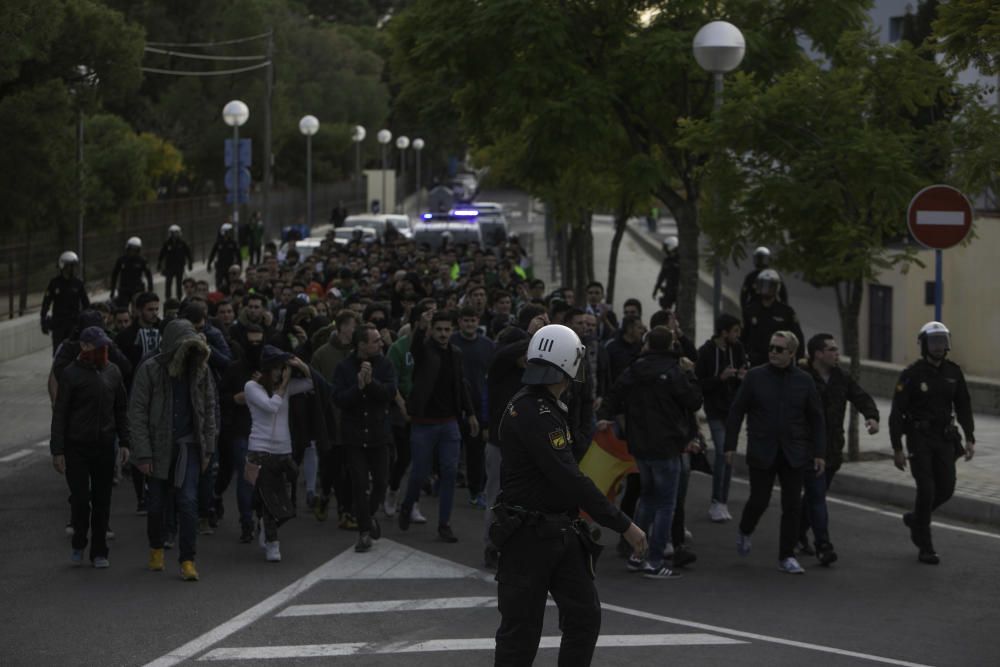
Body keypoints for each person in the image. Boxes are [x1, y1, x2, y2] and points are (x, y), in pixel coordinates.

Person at [493, 323, 647, 666]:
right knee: (521, 634)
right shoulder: (536, 413)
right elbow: (571, 479)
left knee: (584, 618)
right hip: (530, 538)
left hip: (560, 531)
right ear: (566, 362)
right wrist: (624, 524)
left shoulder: (545, 406)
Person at [597, 326, 703, 578]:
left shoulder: (635, 368)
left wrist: (604, 416)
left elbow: (615, 393)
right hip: (666, 444)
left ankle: (637, 553)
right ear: (669, 346)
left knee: (647, 498)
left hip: (640, 443)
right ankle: (654, 559)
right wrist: (691, 374)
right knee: (666, 502)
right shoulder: (674, 371)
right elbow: (694, 401)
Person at [724, 331, 825, 574]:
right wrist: (729, 446)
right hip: (762, 449)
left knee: (792, 505)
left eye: (779, 349)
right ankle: (745, 530)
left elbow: (816, 418)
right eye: (771, 347)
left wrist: (820, 452)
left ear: (792, 353)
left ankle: (786, 556)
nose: (773, 352)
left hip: (794, 452)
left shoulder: (804, 381)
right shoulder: (755, 377)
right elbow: (737, 411)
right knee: (759, 500)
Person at [129, 318, 217, 581]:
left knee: (188, 502)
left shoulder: (201, 370)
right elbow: (137, 412)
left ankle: (187, 559)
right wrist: (142, 454)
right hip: (157, 448)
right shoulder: (151, 370)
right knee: (156, 505)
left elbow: (209, 409)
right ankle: (156, 547)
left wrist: (208, 449)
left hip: (188, 446)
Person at [889, 321, 975, 565]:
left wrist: (970, 437)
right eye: (934, 342)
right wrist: (897, 448)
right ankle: (925, 545)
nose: (939, 347)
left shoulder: (953, 372)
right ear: (924, 344)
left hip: (945, 438)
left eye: (942, 341)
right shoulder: (911, 375)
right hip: (920, 439)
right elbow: (897, 413)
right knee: (926, 490)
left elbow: (964, 406)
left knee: (946, 489)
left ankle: (917, 518)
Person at [50, 326, 130, 568]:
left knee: (102, 501)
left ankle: (99, 551)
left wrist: (125, 442)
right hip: (76, 447)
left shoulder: (113, 372)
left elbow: (120, 411)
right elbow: (60, 414)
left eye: (104, 344)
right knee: (81, 499)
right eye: (97, 345)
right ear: (84, 346)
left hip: (105, 446)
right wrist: (58, 450)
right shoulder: (71, 374)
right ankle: (79, 540)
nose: (102, 349)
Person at [798, 333, 879, 565]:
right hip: (810, 450)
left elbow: (861, 397)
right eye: (831, 349)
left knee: (816, 495)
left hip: (833, 450)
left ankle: (797, 532)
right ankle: (823, 545)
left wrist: (872, 417)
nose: (837, 353)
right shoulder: (801, 377)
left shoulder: (841, 377)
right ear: (818, 354)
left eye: (836, 348)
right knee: (816, 496)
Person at [398, 309, 478, 543]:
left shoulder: (456, 354)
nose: (443, 334)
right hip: (424, 423)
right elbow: (415, 347)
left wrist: (471, 413)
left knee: (450, 473)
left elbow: (461, 385)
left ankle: (444, 523)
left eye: (447, 330)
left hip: (449, 423)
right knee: (420, 473)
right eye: (439, 330)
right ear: (432, 331)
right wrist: (422, 325)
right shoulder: (424, 351)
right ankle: (407, 505)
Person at [332, 324, 397, 553]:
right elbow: (338, 398)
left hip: (379, 434)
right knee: (359, 484)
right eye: (375, 341)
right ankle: (364, 533)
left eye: (380, 340)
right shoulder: (344, 367)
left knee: (380, 482)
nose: (380, 344)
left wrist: (370, 384)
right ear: (361, 345)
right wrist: (358, 387)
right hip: (354, 436)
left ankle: (368, 517)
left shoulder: (386, 364)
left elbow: (389, 393)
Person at [244, 346, 313, 562]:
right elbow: (271, 407)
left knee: (286, 504)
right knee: (269, 500)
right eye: (276, 368)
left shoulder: (288, 386)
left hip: (284, 450)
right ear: (266, 370)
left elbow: (311, 383)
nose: (280, 372)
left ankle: (266, 522)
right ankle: (273, 543)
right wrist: (283, 384)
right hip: (260, 450)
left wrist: (301, 366)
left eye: (282, 368)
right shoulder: (252, 387)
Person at [695, 313, 747, 523]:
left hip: (733, 409)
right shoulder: (706, 352)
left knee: (729, 455)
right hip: (715, 410)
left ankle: (722, 500)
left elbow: (744, 371)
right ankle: (716, 501)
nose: (737, 335)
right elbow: (699, 383)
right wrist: (720, 378)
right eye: (734, 331)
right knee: (721, 452)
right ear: (724, 332)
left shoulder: (738, 349)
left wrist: (741, 377)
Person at [451, 305, 495, 507]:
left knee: (475, 451)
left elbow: (491, 376)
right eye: (466, 320)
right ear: (459, 322)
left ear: (478, 322)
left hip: (477, 405)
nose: (469, 324)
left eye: (473, 320)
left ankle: (476, 490)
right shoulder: (450, 341)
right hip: (452, 403)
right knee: (449, 450)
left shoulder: (487, 345)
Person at [740, 269, 805, 367]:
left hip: (780, 362)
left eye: (770, 286)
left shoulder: (786, 312)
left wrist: (799, 359)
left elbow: (797, 337)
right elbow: (743, 336)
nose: (766, 289)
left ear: (776, 287)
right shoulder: (750, 310)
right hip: (755, 362)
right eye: (763, 285)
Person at [42, 251, 90, 355]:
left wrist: (86, 320)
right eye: (70, 266)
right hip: (58, 324)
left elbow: (86, 304)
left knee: (74, 351)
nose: (72, 269)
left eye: (74, 266)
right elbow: (46, 302)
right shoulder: (54, 283)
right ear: (63, 266)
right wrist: (43, 320)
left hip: (74, 323)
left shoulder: (78, 284)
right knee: (58, 352)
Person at [110, 237, 153, 308]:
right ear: (127, 248)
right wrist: (112, 290)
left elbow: (149, 275)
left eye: (135, 249)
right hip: (124, 289)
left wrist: (150, 290)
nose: (133, 251)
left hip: (137, 289)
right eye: (131, 249)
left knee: (137, 309)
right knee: (123, 308)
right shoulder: (121, 260)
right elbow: (115, 275)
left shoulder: (142, 260)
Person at [158, 225, 193, 300]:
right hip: (169, 267)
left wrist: (190, 263)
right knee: (168, 283)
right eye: (172, 233)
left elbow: (188, 253)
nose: (174, 235)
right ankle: (168, 298)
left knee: (179, 283)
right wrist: (159, 264)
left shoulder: (182, 243)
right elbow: (162, 254)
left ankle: (179, 297)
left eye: (176, 233)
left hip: (179, 266)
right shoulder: (167, 243)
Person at [207, 223, 241, 292]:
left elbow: (238, 255)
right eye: (227, 231)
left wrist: (239, 265)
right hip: (220, 267)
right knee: (218, 283)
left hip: (230, 266)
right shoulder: (218, 243)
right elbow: (212, 254)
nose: (229, 233)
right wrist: (209, 264)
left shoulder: (233, 243)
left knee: (230, 283)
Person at [652, 236, 679, 311]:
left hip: (679, 292)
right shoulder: (667, 260)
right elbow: (662, 276)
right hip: (669, 289)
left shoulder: (681, 260)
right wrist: (656, 288)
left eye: (666, 247)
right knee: (665, 311)